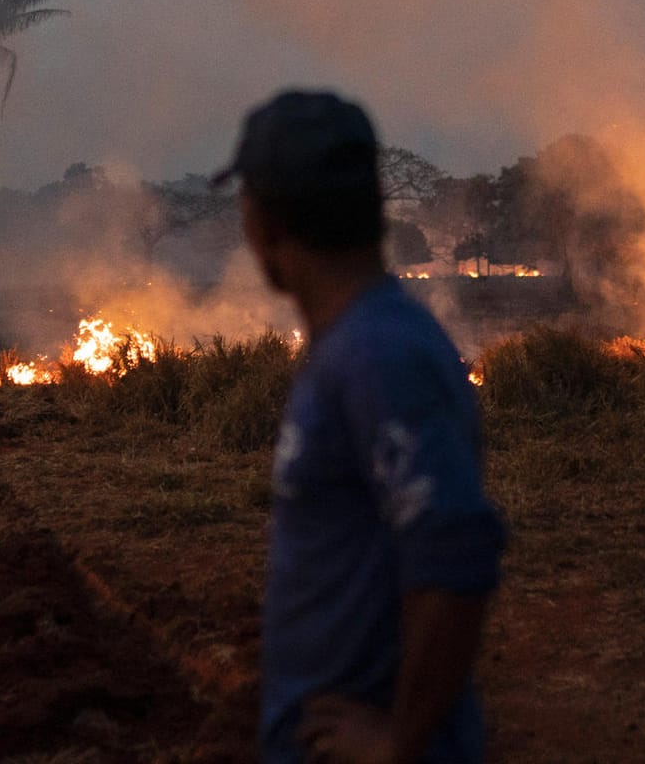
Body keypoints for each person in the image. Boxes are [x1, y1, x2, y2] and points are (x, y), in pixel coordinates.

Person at [213, 89, 507, 764]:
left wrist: (400, 742)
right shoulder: (356, 344)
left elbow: (457, 546)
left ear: (262, 223)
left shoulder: (380, 355)